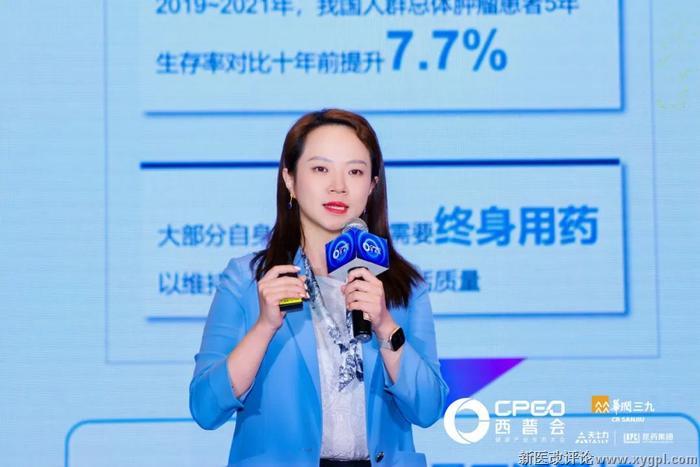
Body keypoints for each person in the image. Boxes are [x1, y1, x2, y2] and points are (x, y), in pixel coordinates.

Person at [189, 109, 449, 467]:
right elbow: (205, 408)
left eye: (355, 172)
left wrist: (386, 326)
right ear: (290, 180)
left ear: (372, 185)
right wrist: (264, 327)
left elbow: (428, 408)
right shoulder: (248, 279)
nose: (338, 186)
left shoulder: (403, 284)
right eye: (321, 169)